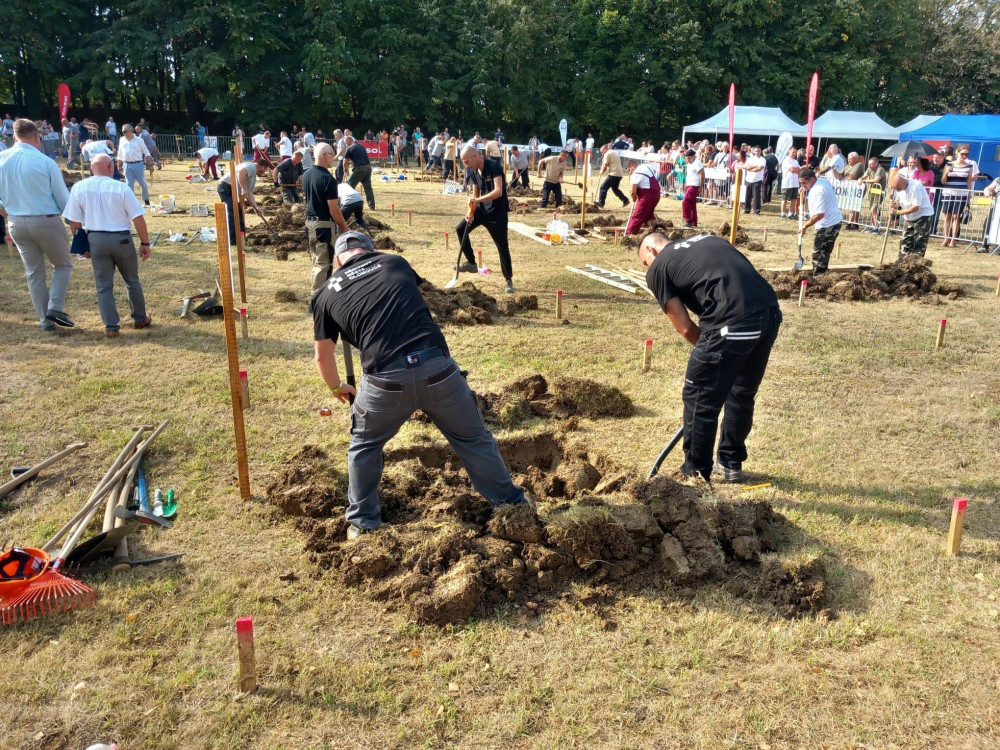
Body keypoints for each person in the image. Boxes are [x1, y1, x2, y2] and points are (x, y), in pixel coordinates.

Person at [312, 231, 529, 539]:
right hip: (438, 371)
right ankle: (513, 507)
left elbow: (322, 357)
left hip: (384, 384)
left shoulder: (324, 295)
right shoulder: (395, 262)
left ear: (337, 261)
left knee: (365, 446)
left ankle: (362, 523)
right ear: (370, 250)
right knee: (474, 439)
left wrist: (337, 388)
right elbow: (410, 297)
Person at [638, 231, 781, 483]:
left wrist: (710, 357)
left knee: (699, 396)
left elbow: (685, 327)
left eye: (644, 262)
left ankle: (696, 473)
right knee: (741, 391)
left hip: (732, 321)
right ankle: (730, 463)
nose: (646, 267)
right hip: (769, 314)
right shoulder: (708, 239)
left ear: (651, 250)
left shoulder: (658, 267)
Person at [62, 154, 152, 338]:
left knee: (103, 285)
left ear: (91, 168)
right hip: (121, 239)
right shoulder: (120, 187)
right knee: (132, 280)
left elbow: (74, 222)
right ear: (111, 167)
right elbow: (137, 218)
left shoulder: (79, 187)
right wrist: (145, 242)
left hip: (96, 240)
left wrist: (82, 246)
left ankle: (111, 326)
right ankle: (139, 318)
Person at [0, 119, 75, 330]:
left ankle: (45, 319)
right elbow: (63, 199)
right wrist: (73, 221)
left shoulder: (1, 159)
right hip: (46, 219)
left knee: (34, 272)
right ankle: (54, 308)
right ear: (36, 136)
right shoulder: (45, 162)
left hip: (16, 222)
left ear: (14, 137)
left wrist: (3, 207)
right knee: (63, 264)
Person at [456, 145, 516, 293]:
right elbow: (475, 196)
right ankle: (471, 262)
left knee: (502, 246)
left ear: (475, 156)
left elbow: (498, 191)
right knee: (461, 228)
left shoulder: (493, 166)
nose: (465, 165)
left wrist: (477, 200)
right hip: (481, 211)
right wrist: (471, 212)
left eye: (466, 161)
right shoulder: (472, 170)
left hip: (497, 213)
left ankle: (508, 280)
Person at [303, 143, 350, 299]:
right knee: (323, 263)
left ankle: (322, 295)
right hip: (324, 225)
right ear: (324, 155)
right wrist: (344, 227)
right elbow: (334, 209)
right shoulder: (328, 179)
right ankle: (316, 299)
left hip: (310, 223)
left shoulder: (307, 174)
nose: (334, 158)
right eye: (332, 155)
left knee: (316, 261)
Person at [798, 168, 843, 273]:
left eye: (804, 183)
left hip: (828, 224)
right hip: (834, 221)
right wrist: (805, 188)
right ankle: (823, 272)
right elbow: (817, 175)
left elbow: (819, 215)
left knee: (819, 253)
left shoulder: (818, 191)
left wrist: (805, 226)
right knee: (825, 251)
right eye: (801, 183)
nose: (802, 185)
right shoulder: (821, 180)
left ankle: (819, 275)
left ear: (812, 179)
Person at [217, 158, 269, 245]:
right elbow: (241, 172)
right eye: (265, 170)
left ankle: (241, 237)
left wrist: (256, 208)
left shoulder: (253, 177)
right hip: (226, 187)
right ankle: (233, 240)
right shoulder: (251, 166)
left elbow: (249, 193)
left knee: (238, 213)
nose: (264, 172)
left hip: (231, 188)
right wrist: (243, 188)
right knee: (233, 213)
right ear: (263, 167)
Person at [889, 172, 935, 260]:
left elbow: (915, 207)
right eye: (895, 188)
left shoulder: (916, 187)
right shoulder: (900, 188)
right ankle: (901, 263)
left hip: (922, 217)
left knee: (918, 244)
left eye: (898, 188)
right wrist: (896, 203)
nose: (897, 190)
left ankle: (915, 266)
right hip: (909, 218)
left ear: (904, 182)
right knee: (905, 242)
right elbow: (900, 199)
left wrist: (897, 212)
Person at [940, 144, 975, 247]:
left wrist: (968, 197)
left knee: (956, 217)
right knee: (947, 216)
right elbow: (943, 181)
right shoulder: (949, 164)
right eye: (962, 154)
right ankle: (946, 237)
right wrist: (946, 172)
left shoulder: (970, 166)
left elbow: (969, 182)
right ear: (957, 153)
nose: (964, 156)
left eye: (966, 154)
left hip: (961, 194)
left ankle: (953, 239)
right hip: (948, 193)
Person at [116, 124, 151, 205]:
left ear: (130, 131)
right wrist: (119, 165)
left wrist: (150, 164)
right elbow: (120, 153)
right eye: (123, 132)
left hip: (138, 164)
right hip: (127, 164)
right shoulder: (122, 140)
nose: (124, 133)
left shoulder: (139, 140)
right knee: (129, 184)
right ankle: (131, 202)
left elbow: (146, 151)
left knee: (142, 183)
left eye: (125, 131)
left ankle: (146, 199)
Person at [625, 158, 660, 235]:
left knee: (637, 216)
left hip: (647, 196)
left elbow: (632, 192)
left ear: (632, 166)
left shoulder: (636, 173)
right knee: (648, 215)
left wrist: (634, 198)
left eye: (629, 170)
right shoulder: (646, 166)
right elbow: (654, 171)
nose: (629, 172)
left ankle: (629, 235)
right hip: (656, 194)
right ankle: (655, 232)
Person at [343, 136, 375, 210]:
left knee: (349, 185)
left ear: (348, 141)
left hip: (360, 169)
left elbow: (345, 161)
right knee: (368, 188)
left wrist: (345, 169)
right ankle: (372, 206)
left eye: (346, 143)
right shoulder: (361, 146)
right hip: (368, 168)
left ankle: (350, 204)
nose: (346, 144)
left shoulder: (349, 148)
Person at [595, 143, 629, 208]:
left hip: (614, 174)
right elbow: (609, 163)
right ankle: (625, 200)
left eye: (602, 152)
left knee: (603, 187)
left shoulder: (607, 154)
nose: (602, 153)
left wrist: (601, 172)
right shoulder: (613, 152)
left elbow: (605, 166)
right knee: (615, 189)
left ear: (605, 149)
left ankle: (601, 203)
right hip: (619, 174)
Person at [859, 158, 887, 232]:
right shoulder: (869, 168)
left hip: (879, 192)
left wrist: (865, 181)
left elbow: (876, 180)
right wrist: (860, 179)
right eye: (869, 164)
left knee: (874, 209)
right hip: (871, 191)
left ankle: (876, 227)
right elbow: (864, 175)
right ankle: (872, 225)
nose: (869, 165)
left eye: (871, 164)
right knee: (871, 210)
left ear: (876, 163)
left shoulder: (880, 169)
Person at [682, 149, 704, 227]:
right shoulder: (689, 163)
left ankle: (688, 220)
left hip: (694, 185)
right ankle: (693, 222)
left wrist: (701, 186)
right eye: (687, 158)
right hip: (689, 185)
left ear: (694, 156)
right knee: (692, 204)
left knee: (685, 202)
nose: (688, 160)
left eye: (689, 158)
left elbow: (702, 174)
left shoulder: (698, 163)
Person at [743, 146, 766, 214]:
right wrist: (754, 166)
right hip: (748, 179)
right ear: (754, 151)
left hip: (757, 179)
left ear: (760, 151)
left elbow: (760, 168)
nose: (757, 152)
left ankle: (756, 210)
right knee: (747, 195)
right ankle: (747, 209)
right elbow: (746, 166)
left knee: (756, 195)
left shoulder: (763, 159)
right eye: (756, 151)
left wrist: (751, 169)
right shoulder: (750, 158)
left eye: (758, 151)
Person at [780, 146, 801, 219]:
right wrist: (796, 169)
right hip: (787, 183)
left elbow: (799, 170)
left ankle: (790, 213)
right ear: (789, 152)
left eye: (795, 152)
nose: (794, 154)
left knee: (794, 199)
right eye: (793, 152)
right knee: (784, 199)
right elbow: (792, 169)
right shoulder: (786, 160)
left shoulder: (795, 161)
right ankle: (782, 213)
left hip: (795, 183)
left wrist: (796, 169)